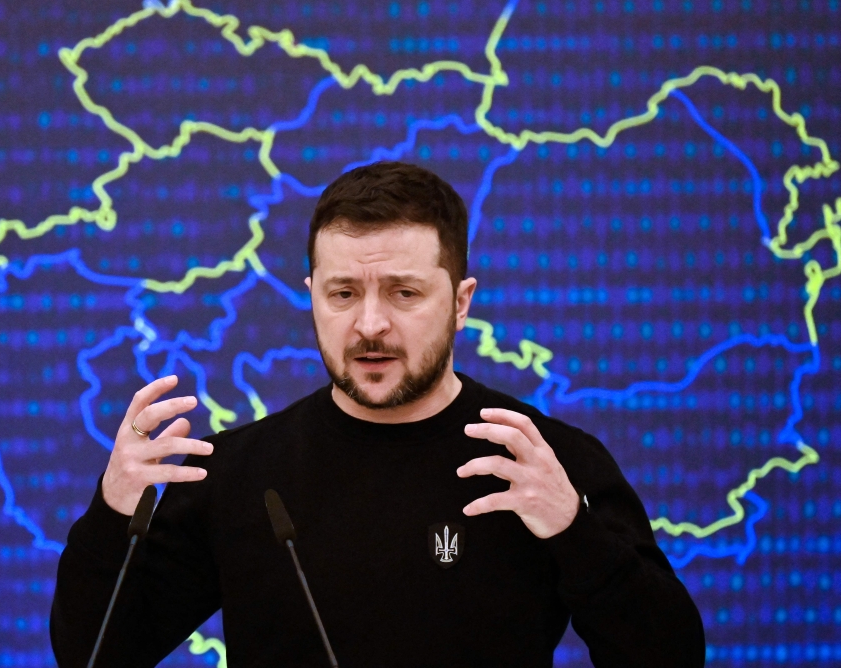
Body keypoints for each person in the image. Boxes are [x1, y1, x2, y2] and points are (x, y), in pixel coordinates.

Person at [50, 161, 705, 667]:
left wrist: (571, 528)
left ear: (461, 302)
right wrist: (111, 514)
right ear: (311, 295)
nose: (369, 325)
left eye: (404, 293)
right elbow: (94, 654)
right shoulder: (237, 473)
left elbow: (670, 656)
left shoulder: (541, 462)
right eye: (343, 293)